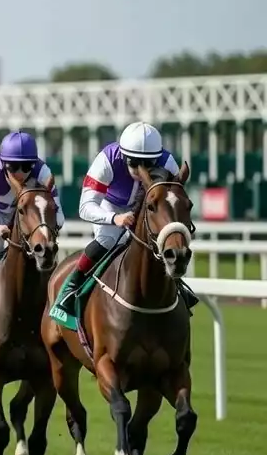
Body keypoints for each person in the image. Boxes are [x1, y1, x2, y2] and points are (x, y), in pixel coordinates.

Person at [52, 120, 198, 317]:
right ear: (124, 156)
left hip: (148, 207)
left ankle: (177, 285)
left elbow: (171, 201)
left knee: (160, 243)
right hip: (110, 205)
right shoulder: (107, 160)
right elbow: (85, 207)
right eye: (135, 163)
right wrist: (114, 218)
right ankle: (71, 287)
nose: (142, 170)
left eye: (148, 163)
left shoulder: (167, 162)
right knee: (108, 240)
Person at [0, 131, 63, 268]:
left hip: (27, 214)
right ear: (3, 163)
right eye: (13, 166)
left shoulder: (43, 172)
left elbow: (59, 216)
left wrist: (45, 230)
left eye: (26, 166)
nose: (20, 173)